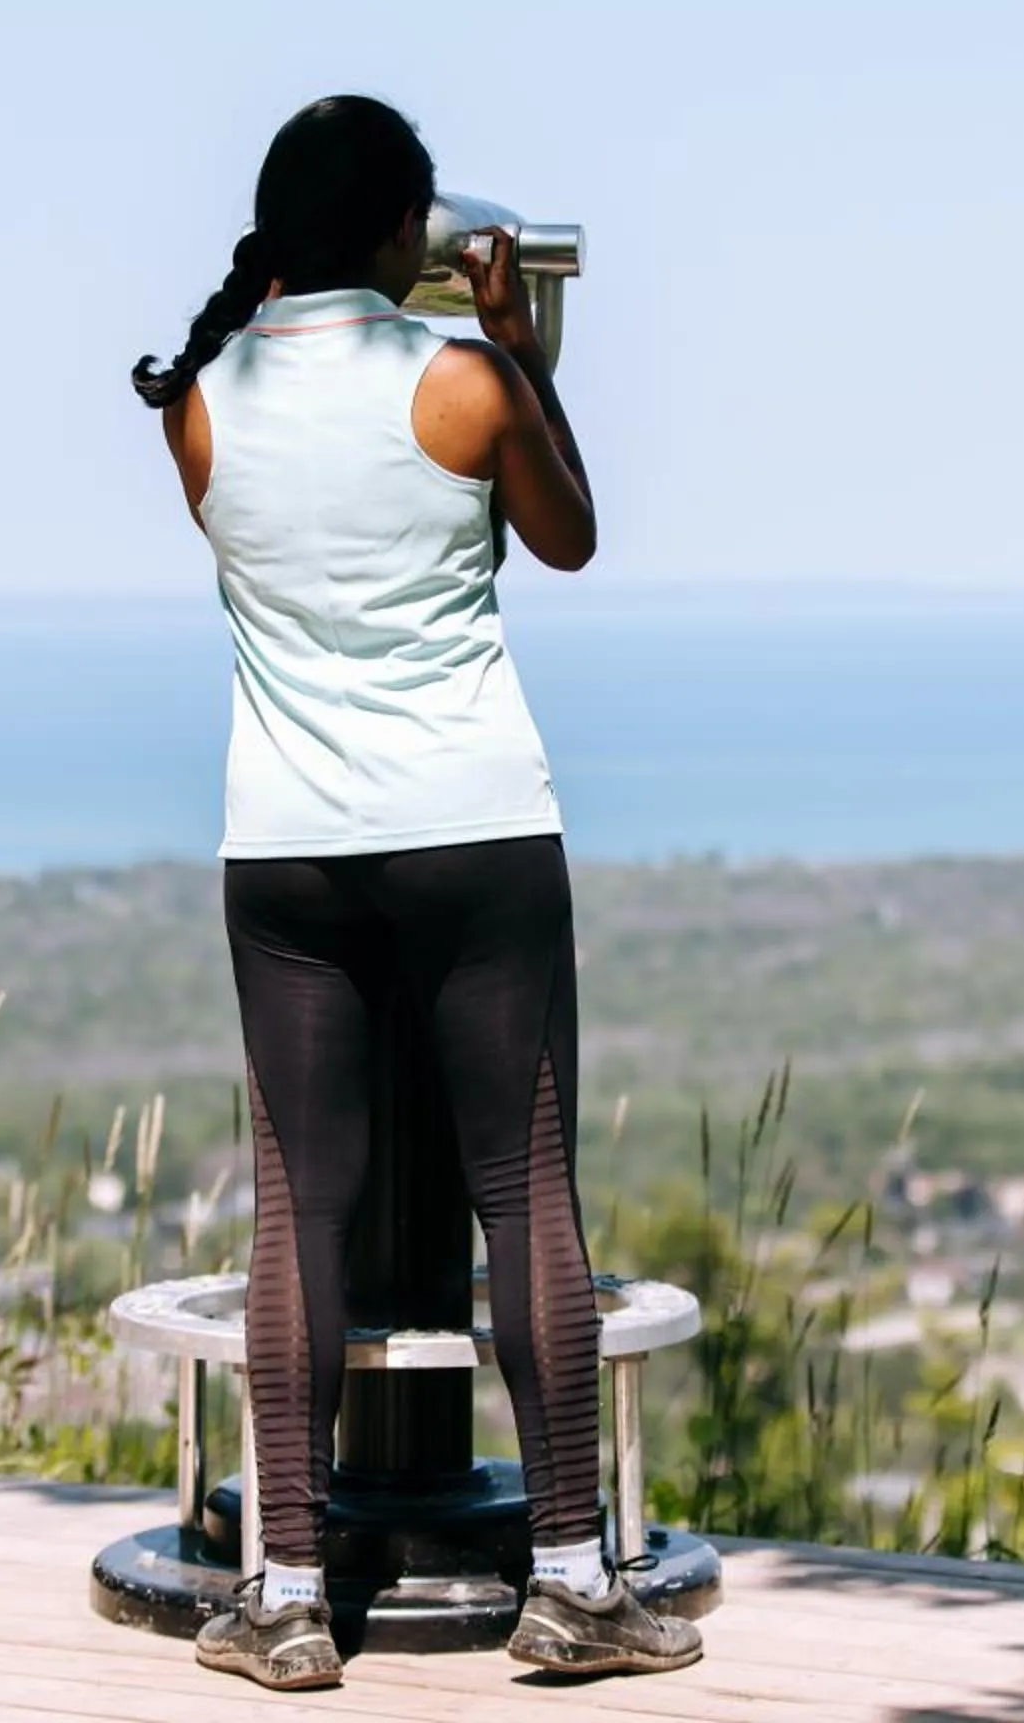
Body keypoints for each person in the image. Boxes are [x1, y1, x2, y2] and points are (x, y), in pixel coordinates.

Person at [134, 95, 703, 1691]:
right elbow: (565, 535)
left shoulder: (198, 406)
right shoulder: (462, 384)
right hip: (471, 831)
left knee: (295, 1209)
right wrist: (517, 345)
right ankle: (577, 1582)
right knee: (524, 1194)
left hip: (288, 847)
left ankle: (292, 1597)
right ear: (409, 236)